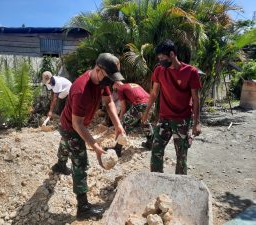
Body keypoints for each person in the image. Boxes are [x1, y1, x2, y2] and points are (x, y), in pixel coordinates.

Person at [56, 53, 125, 219]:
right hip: (71, 127)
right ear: (98, 69)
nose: (112, 82)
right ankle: (83, 208)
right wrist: (96, 148)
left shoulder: (102, 80)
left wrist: (118, 125)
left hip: (73, 124)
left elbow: (108, 102)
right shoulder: (81, 90)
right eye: (110, 77)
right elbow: (77, 124)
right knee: (80, 163)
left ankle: (59, 164)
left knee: (66, 145)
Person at [142, 39, 202, 175]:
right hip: (164, 118)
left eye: (163, 58)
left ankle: (180, 184)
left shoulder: (190, 72)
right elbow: (154, 93)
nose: (160, 61)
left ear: (172, 54)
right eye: (159, 58)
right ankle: (156, 179)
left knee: (181, 155)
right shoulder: (159, 71)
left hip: (182, 119)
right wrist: (146, 112)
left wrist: (196, 123)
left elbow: (196, 99)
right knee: (156, 150)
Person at [112, 81, 153, 155]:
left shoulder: (121, 89)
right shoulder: (134, 84)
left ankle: (117, 149)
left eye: (115, 89)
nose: (116, 91)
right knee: (144, 122)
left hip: (140, 105)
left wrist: (119, 122)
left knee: (125, 123)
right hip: (151, 104)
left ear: (117, 85)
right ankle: (150, 143)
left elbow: (123, 108)